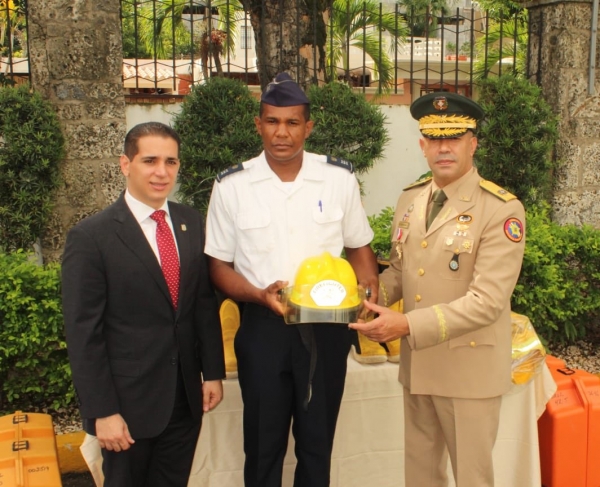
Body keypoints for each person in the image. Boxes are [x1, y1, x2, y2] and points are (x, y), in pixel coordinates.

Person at [204, 72, 379, 487]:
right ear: (258, 124)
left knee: (317, 444)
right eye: (272, 121)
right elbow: (218, 267)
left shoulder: (338, 179)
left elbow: (359, 248)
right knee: (263, 446)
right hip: (264, 328)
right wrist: (258, 294)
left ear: (308, 127)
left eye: (292, 122)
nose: (281, 132)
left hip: (327, 327)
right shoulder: (233, 186)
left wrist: (367, 297)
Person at [350, 92, 526, 487]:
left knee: (472, 479)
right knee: (421, 476)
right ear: (422, 145)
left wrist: (406, 325)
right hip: (420, 368)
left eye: (455, 137)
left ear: (473, 142)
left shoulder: (500, 209)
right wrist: (364, 297)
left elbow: (487, 302)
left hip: (468, 371)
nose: (444, 147)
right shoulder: (410, 200)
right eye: (435, 138)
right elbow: (401, 270)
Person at [62, 122, 225, 487]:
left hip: (184, 400)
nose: (161, 172)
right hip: (127, 406)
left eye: (171, 162)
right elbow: (83, 333)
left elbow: (201, 303)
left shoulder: (190, 222)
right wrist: (102, 411)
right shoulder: (91, 237)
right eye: (149, 160)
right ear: (125, 164)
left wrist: (211, 371)